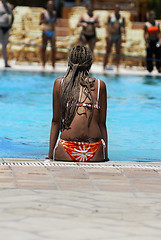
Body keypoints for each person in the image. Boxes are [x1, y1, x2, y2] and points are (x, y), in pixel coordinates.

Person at [47, 45, 109, 162]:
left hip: (66, 149)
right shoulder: (100, 85)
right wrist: (105, 155)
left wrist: (50, 154)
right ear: (90, 64)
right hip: (94, 150)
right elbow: (102, 124)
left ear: (69, 63)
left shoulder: (60, 84)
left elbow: (56, 121)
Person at [103, 4, 126, 73]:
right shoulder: (111, 16)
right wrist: (107, 34)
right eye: (115, 8)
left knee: (118, 52)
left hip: (118, 36)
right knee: (108, 51)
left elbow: (123, 27)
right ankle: (104, 66)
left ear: (119, 9)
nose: (117, 9)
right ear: (114, 9)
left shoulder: (122, 17)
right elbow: (107, 25)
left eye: (118, 8)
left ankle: (117, 67)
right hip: (111, 35)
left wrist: (124, 36)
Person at [40, 0, 56, 69]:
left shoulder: (54, 13)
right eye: (49, 5)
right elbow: (40, 22)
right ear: (47, 5)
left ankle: (53, 64)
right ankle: (43, 64)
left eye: (51, 5)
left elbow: (55, 22)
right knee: (44, 48)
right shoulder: (43, 13)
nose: (50, 6)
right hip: (45, 31)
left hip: (52, 31)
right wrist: (44, 21)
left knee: (53, 48)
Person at [0, 0, 14, 68]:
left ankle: (6, 63)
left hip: (6, 28)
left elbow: (12, 16)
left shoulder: (8, 5)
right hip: (0, 27)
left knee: (4, 46)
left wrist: (10, 25)